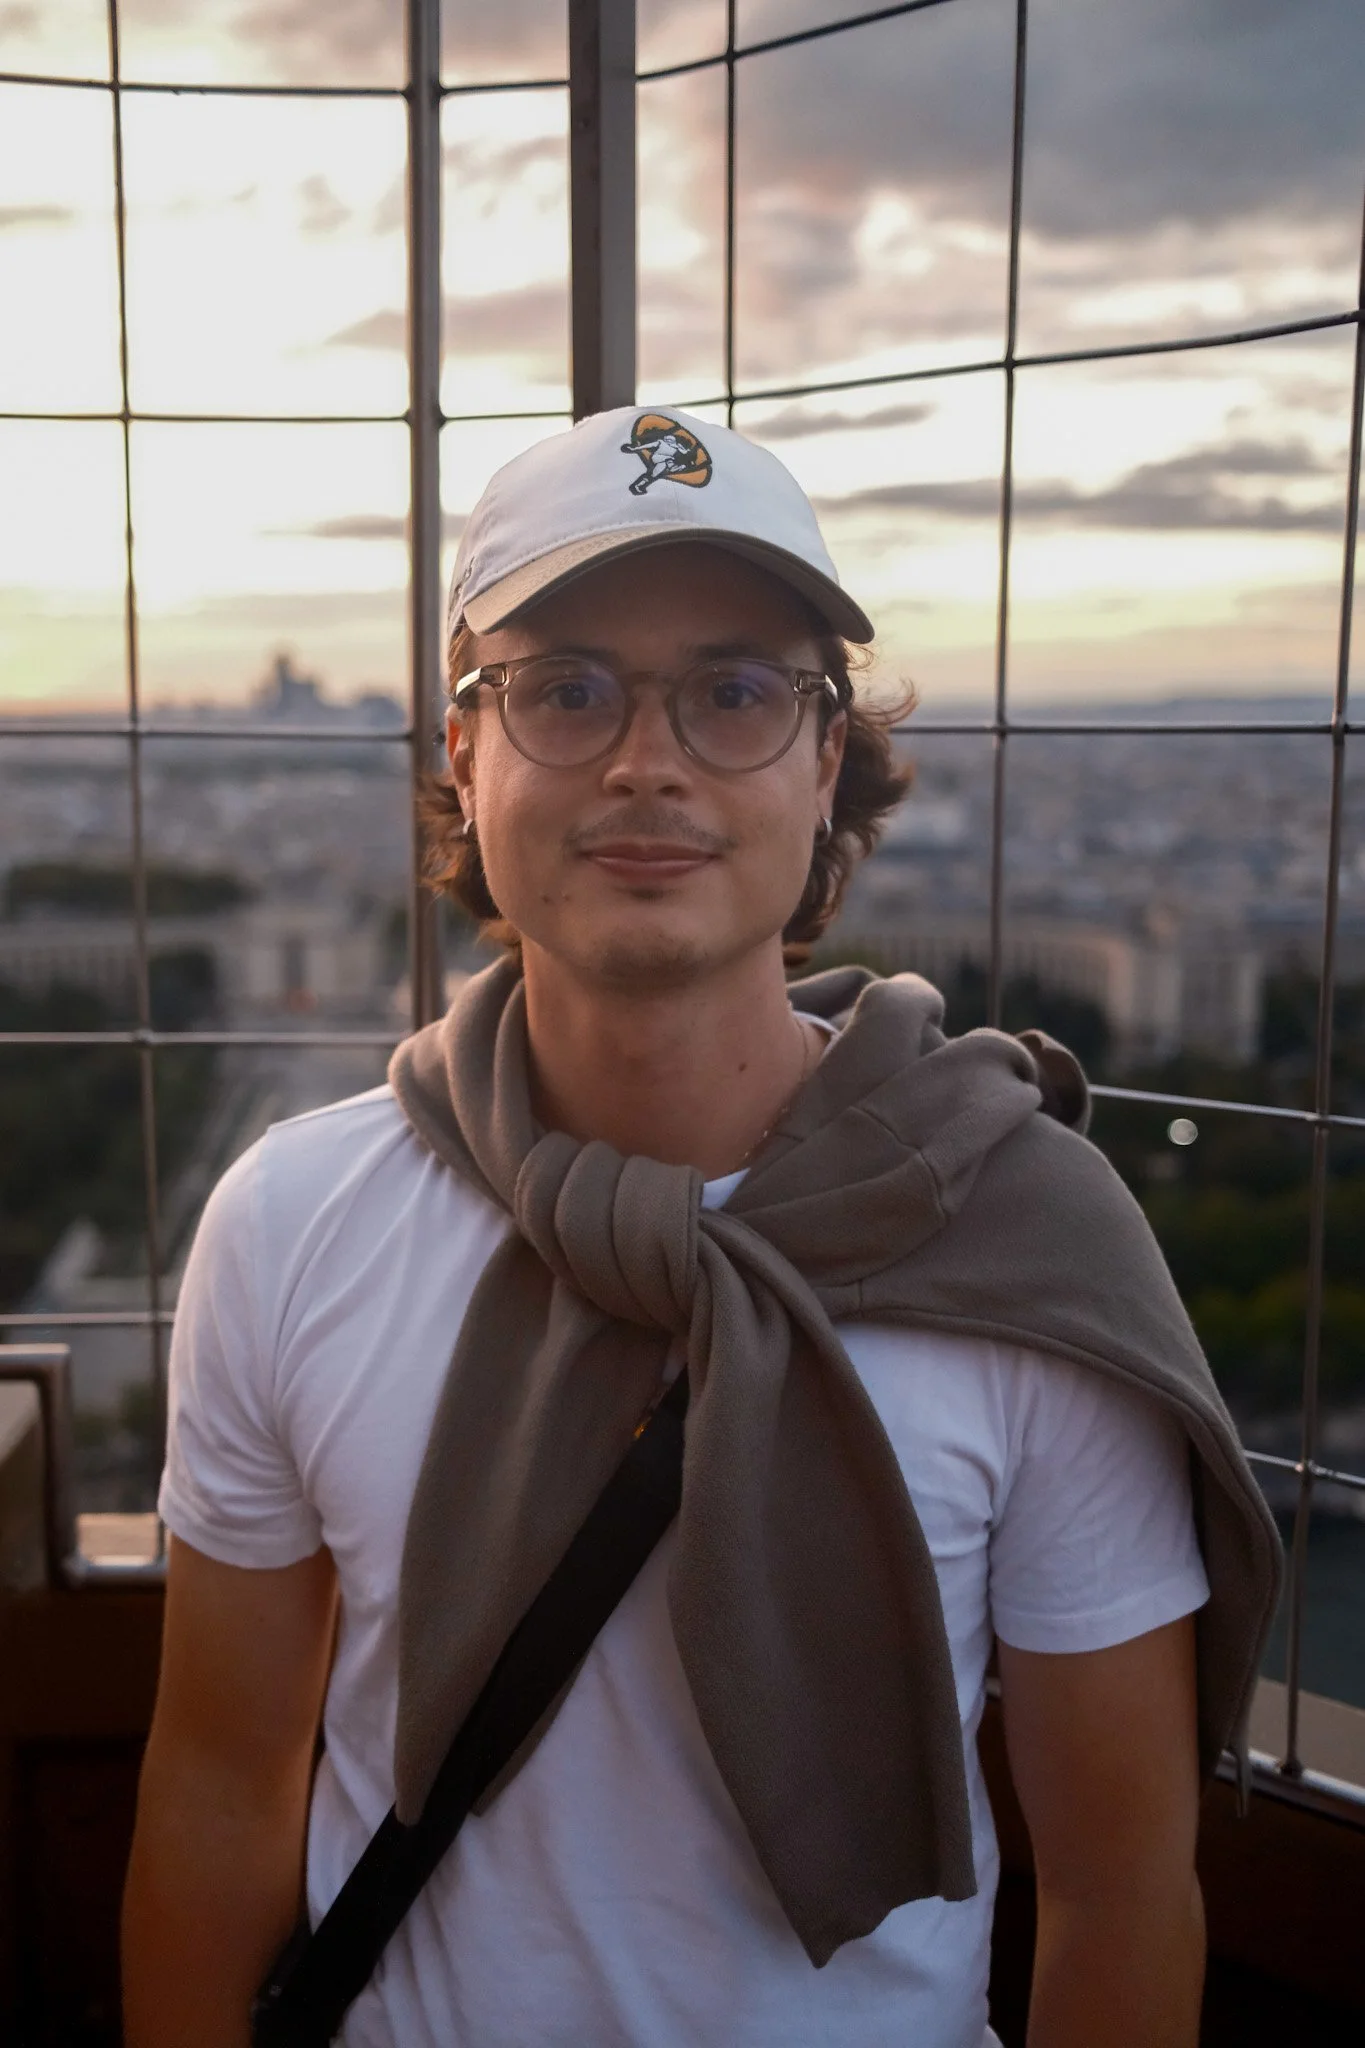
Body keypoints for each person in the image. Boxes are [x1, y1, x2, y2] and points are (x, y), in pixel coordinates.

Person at [122, 406, 1277, 2048]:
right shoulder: (285, 1224)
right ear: (465, 752)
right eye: (566, 687)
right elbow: (222, 1791)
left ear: (824, 763)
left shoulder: (1028, 1251)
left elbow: (1121, 1889)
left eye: (736, 692)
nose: (646, 758)